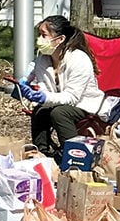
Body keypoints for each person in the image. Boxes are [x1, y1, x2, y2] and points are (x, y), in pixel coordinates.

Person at [16, 15, 105, 161]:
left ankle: (76, 156)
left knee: (59, 113)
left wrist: (44, 97)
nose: (39, 39)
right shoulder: (43, 60)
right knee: (40, 111)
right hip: (60, 103)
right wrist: (30, 90)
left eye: (44, 35)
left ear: (60, 39)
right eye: (39, 35)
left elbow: (72, 97)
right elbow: (45, 88)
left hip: (85, 104)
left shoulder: (79, 59)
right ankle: (40, 154)